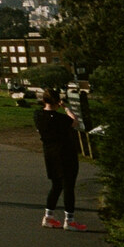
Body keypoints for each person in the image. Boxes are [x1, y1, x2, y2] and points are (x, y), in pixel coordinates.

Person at [35, 89, 86, 230]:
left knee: (56, 185)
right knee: (68, 186)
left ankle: (48, 216)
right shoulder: (61, 119)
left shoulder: (38, 115)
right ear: (58, 102)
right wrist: (66, 108)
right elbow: (74, 121)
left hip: (49, 153)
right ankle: (69, 220)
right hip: (65, 153)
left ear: (44, 100)